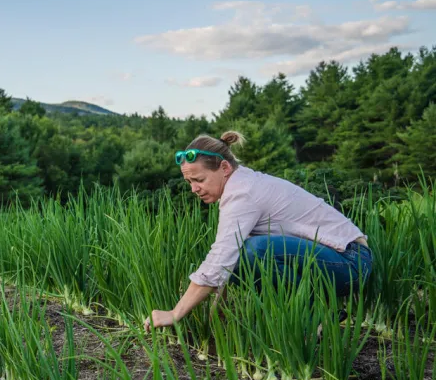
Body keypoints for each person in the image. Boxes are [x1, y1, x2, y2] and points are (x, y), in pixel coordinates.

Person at [144, 131, 372, 332]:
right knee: (242, 258)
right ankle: (314, 317)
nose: (194, 189)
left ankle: (313, 316)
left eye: (199, 180)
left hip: (350, 262)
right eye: (189, 182)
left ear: (224, 168)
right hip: (334, 261)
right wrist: (217, 312)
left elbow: (220, 258)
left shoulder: (243, 193)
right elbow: (227, 260)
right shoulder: (242, 185)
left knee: (253, 251)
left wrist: (175, 313)